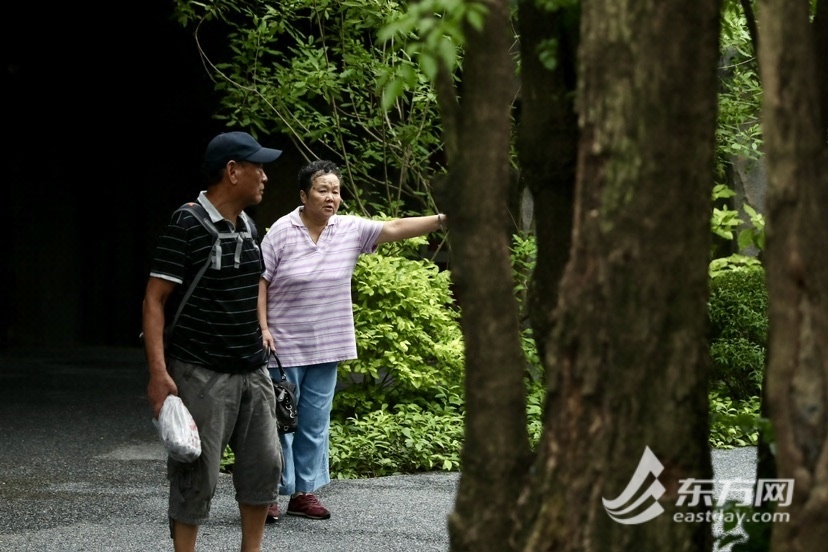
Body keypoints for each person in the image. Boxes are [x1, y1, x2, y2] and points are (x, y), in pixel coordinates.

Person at [258, 159, 447, 521]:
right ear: (303, 194)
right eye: (322, 189)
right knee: (278, 422)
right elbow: (260, 280)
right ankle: (267, 493)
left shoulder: (349, 229)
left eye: (336, 191)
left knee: (314, 422)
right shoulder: (282, 231)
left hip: (327, 345)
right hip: (283, 346)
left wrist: (442, 220)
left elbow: (393, 227)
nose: (331, 197)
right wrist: (263, 328)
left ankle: (303, 493)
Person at [142, 131, 284, 552]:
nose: (264, 176)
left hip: (252, 369)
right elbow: (154, 299)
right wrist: (159, 374)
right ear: (232, 171)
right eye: (257, 167)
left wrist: (261, 330)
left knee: (265, 466)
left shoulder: (248, 225)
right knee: (196, 472)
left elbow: (250, 286)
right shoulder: (186, 222)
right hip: (202, 371)